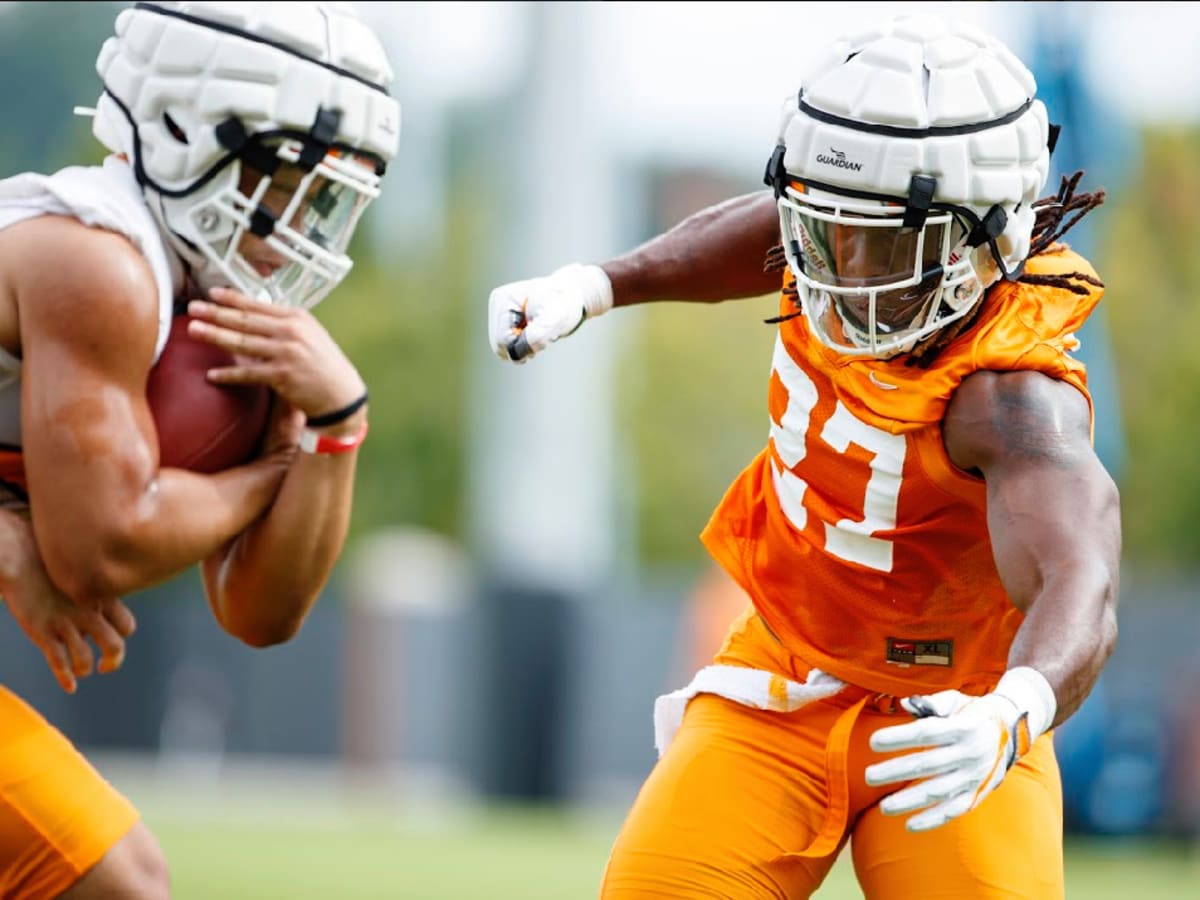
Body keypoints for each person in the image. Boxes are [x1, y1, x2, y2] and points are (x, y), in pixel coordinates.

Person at [487, 14, 1120, 899]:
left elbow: (1080, 579)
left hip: (952, 715)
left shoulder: (1012, 396)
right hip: (785, 671)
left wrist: (1016, 711)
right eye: (829, 231)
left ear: (990, 240)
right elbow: (770, 228)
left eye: (890, 242)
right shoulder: (828, 246)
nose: (846, 271)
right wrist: (596, 285)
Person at [0, 2, 399, 897]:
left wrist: (339, 427)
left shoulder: (213, 304)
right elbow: (101, 544)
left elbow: (259, 613)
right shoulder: (94, 259)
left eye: (325, 195)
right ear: (182, 131)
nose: (297, 221)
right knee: (116, 877)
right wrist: (269, 477)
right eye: (278, 178)